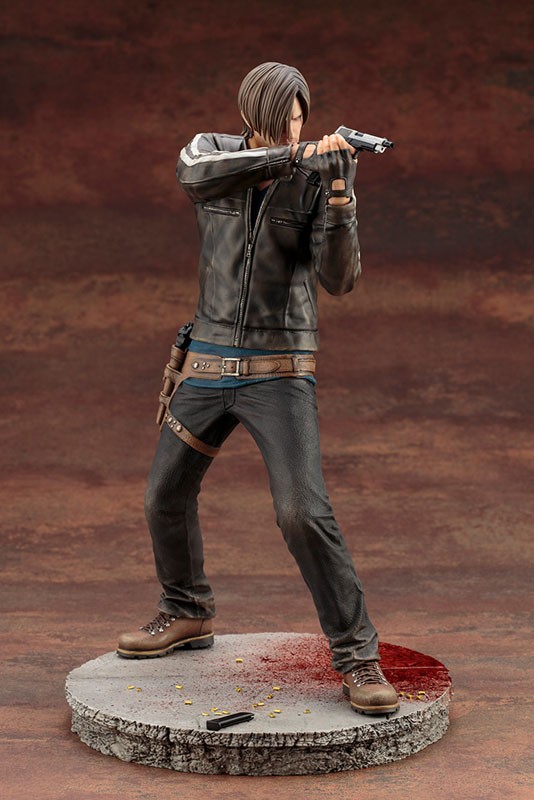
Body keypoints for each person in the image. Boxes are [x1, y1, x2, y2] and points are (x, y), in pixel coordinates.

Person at [117, 62, 398, 716]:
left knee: (302, 512)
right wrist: (293, 155)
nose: (295, 129)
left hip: (280, 369)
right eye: (284, 118)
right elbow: (193, 174)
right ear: (255, 114)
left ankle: (358, 655)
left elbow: (340, 280)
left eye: (301, 119)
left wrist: (339, 193)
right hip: (207, 363)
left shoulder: (314, 178)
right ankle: (186, 609)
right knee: (163, 496)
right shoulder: (211, 153)